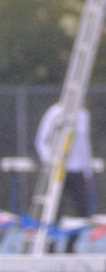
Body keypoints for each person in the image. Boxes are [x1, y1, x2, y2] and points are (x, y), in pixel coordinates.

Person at [34, 101, 94, 252]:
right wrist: (50, 161)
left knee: (83, 208)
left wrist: (87, 171)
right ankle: (50, 245)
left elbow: (84, 144)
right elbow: (41, 140)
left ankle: (70, 245)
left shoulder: (83, 114)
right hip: (57, 169)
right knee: (54, 208)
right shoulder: (54, 112)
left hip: (76, 169)